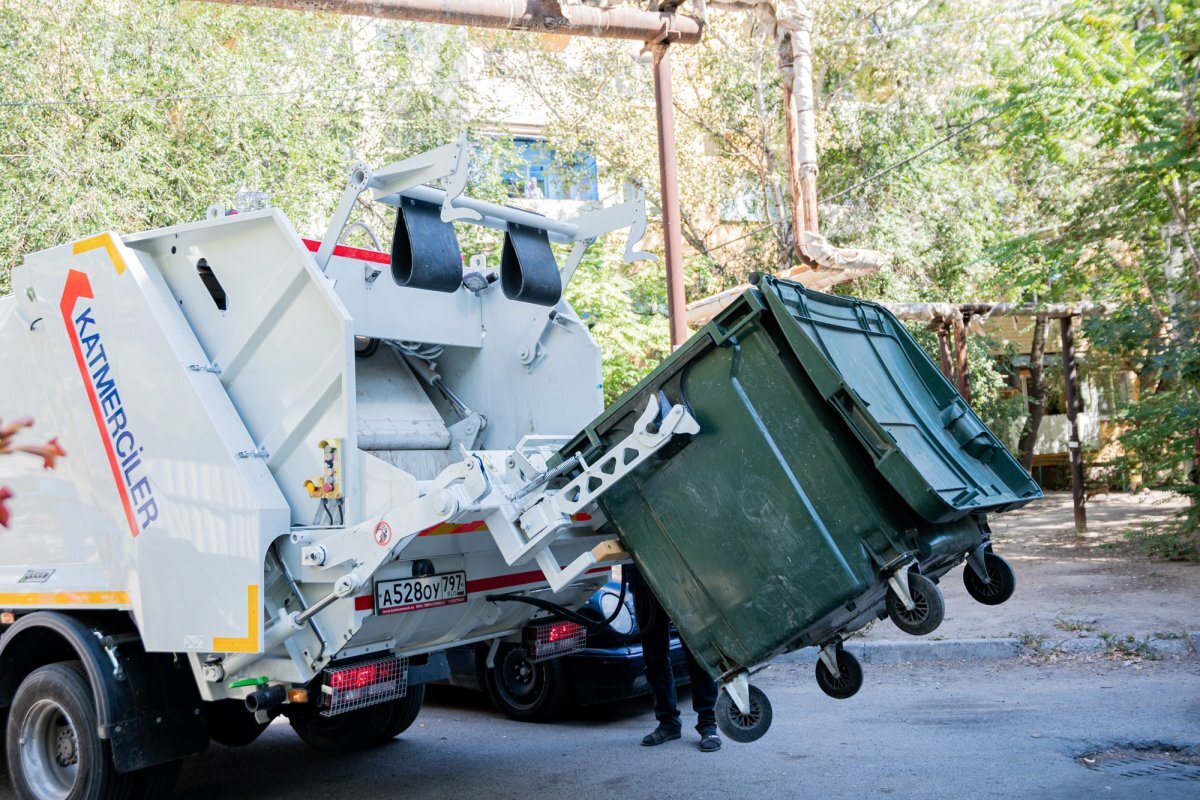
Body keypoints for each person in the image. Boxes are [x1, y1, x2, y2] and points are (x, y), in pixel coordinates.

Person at [627, 565, 721, 752]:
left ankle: (708, 723)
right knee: (654, 655)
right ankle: (668, 723)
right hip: (644, 581)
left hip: (682, 578)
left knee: (697, 652)